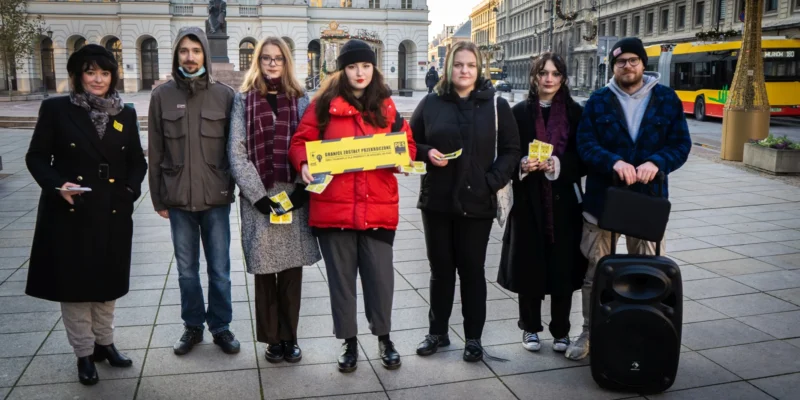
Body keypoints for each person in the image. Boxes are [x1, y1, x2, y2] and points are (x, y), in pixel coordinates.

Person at [288, 39, 416, 373]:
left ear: (373, 68)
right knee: (341, 284)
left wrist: (405, 158)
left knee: (380, 281)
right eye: (352, 66)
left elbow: (407, 143)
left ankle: (384, 337)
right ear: (342, 70)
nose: (359, 73)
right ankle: (349, 342)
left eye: (365, 66)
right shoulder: (322, 104)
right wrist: (303, 163)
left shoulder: (387, 106)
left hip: (378, 209)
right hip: (334, 211)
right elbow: (301, 142)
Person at [25, 44, 147, 385]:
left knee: (106, 284)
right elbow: (36, 158)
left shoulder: (125, 113)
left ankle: (105, 344)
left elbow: (137, 160)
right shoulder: (57, 109)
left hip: (112, 211)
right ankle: (83, 353)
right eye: (91, 72)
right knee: (76, 286)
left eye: (104, 73)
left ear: (112, 77)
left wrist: (130, 191)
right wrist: (56, 185)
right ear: (79, 76)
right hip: (71, 210)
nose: (98, 79)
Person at [568, 37, 691, 360]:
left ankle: (647, 329)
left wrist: (657, 163)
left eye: (633, 60)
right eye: (621, 62)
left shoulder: (666, 100)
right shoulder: (598, 101)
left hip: (646, 204)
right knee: (596, 271)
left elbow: (680, 145)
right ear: (614, 66)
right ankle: (588, 332)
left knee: (649, 272)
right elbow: (586, 145)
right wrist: (613, 162)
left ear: (643, 64)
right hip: (602, 202)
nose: (627, 66)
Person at [410, 41, 520, 362]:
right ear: (448, 68)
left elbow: (512, 150)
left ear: (479, 69)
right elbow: (408, 140)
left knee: (472, 272)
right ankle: (438, 332)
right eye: (458, 65)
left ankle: (473, 338)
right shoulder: (431, 103)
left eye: (470, 65)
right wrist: (425, 152)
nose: (464, 70)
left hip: (478, 203)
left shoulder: (496, 105)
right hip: (438, 202)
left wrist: (492, 181)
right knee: (440, 270)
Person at [228, 36, 321, 363]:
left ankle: (290, 336)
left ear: (286, 62)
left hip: (292, 194)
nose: (271, 63)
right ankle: (272, 339)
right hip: (260, 198)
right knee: (266, 271)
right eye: (266, 58)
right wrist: (257, 197)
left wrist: (300, 190)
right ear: (258, 61)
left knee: (292, 272)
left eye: (277, 58)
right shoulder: (243, 100)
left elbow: (310, 145)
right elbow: (236, 153)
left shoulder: (300, 98)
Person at [148, 27, 240, 356]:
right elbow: (156, 151)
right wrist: (158, 198)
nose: (190, 56)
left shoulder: (226, 96)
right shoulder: (161, 96)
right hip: (178, 200)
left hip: (215, 199)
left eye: (196, 50)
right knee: (187, 271)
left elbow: (235, 150)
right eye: (184, 50)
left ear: (205, 54)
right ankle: (192, 326)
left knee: (220, 269)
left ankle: (221, 326)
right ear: (177, 54)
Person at [496, 53, 587, 354]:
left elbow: (584, 157)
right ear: (534, 77)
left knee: (563, 269)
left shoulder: (576, 113)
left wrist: (558, 164)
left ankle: (561, 330)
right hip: (528, 201)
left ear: (563, 78)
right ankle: (530, 328)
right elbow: (507, 153)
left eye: (555, 73)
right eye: (543, 73)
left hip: (564, 204)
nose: (549, 79)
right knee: (529, 267)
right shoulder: (518, 112)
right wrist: (523, 163)